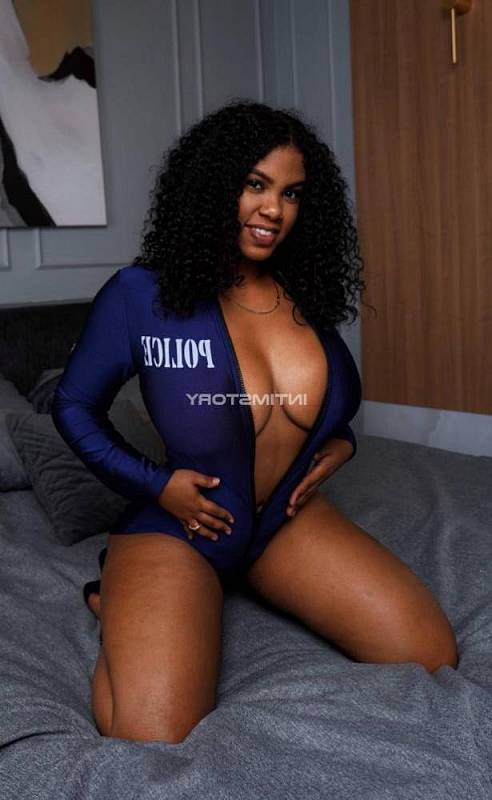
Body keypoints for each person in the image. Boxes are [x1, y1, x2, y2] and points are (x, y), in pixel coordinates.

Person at [51, 99, 458, 745]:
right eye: (255, 185)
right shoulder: (142, 295)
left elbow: (323, 404)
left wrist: (341, 444)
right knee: (152, 734)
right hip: (182, 525)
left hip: (279, 523)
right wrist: (157, 485)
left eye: (291, 193)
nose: (274, 209)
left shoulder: (302, 296)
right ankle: (117, 600)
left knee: (430, 652)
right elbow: (73, 406)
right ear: (214, 186)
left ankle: (226, 583)